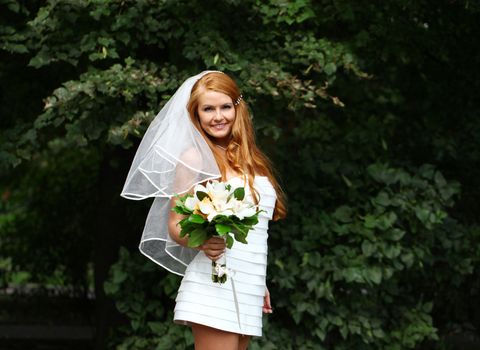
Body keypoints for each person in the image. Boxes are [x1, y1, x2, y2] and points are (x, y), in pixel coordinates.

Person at [121, 71, 286, 350]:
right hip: (214, 282)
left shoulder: (252, 160)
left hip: (248, 284)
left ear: (238, 107)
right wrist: (203, 241)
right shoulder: (194, 157)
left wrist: (258, 281)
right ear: (196, 114)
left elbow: (256, 232)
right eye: (208, 109)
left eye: (225, 107)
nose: (218, 116)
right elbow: (175, 224)